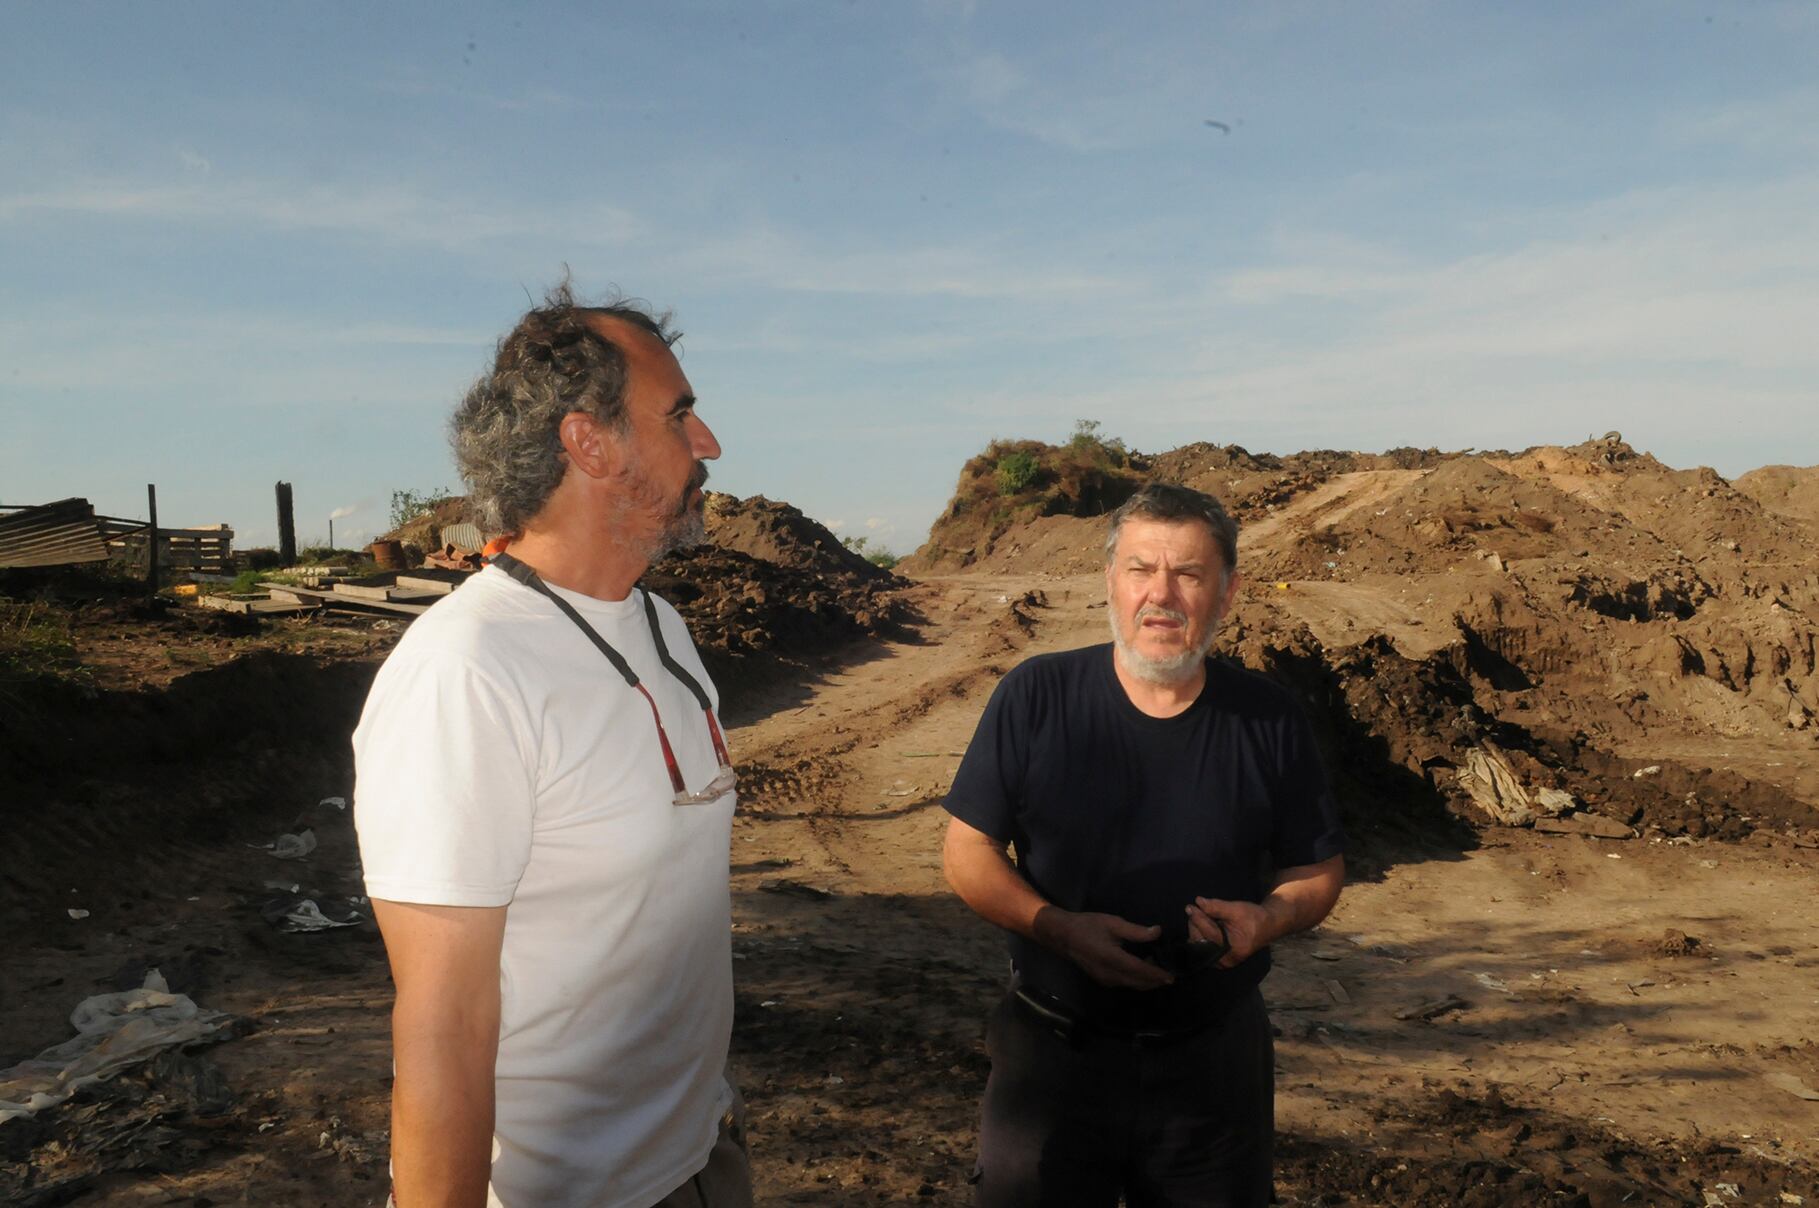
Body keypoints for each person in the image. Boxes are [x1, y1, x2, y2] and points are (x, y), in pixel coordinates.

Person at [353, 285, 752, 1208]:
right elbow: (443, 1027)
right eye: (679, 414)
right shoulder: (466, 672)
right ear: (589, 442)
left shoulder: (660, 625)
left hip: (701, 1154)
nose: (708, 444)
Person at [942, 481, 1346, 1207]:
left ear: (1226, 593)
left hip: (1212, 1067)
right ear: (1110, 581)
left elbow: (1316, 870)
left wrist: (1268, 919)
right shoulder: (1035, 697)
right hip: (1052, 1057)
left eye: (1188, 574)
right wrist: (1057, 928)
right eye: (1140, 570)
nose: (1161, 595)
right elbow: (966, 852)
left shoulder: (1269, 717)